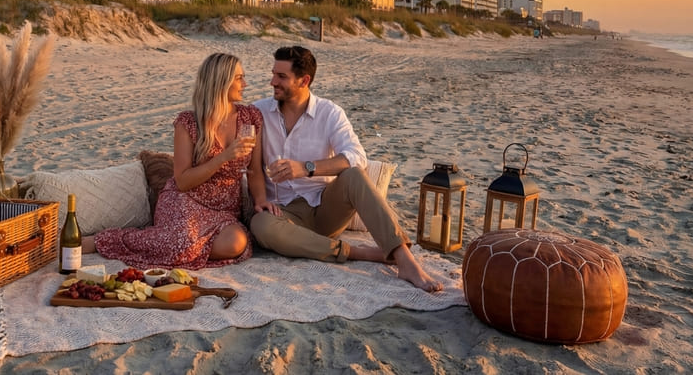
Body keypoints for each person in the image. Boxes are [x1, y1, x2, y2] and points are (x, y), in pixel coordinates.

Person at [248, 46, 443, 292]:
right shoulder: (258, 112)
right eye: (273, 73)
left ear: (304, 80)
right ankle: (360, 253)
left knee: (353, 174)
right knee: (260, 226)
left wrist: (306, 168)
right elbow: (252, 166)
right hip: (283, 214)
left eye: (281, 77)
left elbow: (356, 156)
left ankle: (404, 259)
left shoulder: (329, 113)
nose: (272, 81)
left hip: (325, 208)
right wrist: (261, 199)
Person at [93, 53, 266, 269]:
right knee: (181, 243)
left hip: (225, 210)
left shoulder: (250, 118)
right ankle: (103, 240)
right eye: (239, 78)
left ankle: (173, 244)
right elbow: (183, 181)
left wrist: (260, 200)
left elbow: (256, 170)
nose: (245, 84)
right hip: (185, 201)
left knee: (236, 243)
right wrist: (224, 157)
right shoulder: (189, 122)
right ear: (221, 81)